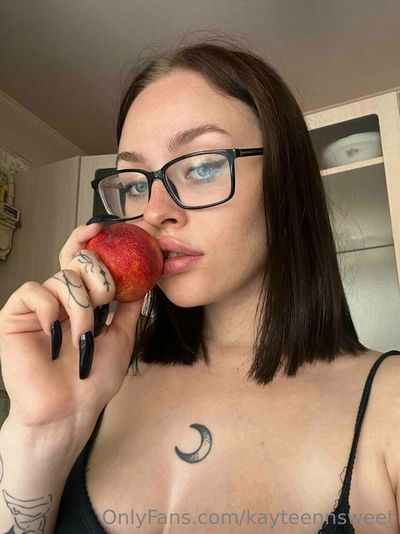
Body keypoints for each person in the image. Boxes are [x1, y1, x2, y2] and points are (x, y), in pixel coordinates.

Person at [0, 35, 399, 534]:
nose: (154, 211)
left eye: (204, 166)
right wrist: (44, 432)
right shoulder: (95, 384)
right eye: (133, 183)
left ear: (286, 178)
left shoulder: (391, 407)